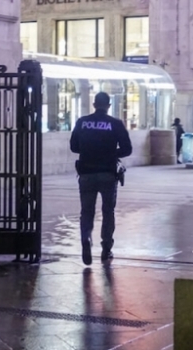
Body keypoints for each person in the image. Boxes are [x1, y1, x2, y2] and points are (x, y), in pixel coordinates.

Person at [70, 92, 132, 265]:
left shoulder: (82, 122)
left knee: (87, 211)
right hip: (107, 173)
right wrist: (111, 154)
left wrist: (89, 152)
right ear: (109, 105)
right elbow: (127, 149)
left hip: (86, 173)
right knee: (107, 211)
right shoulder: (115, 124)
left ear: (94, 104)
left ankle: (86, 239)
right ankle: (106, 247)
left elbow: (74, 147)